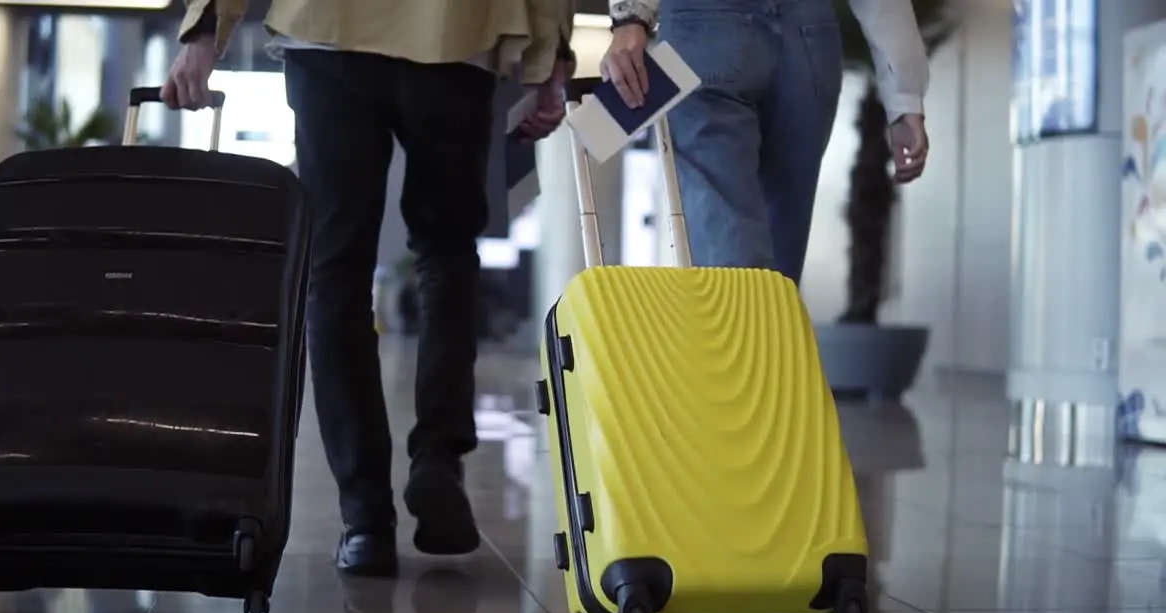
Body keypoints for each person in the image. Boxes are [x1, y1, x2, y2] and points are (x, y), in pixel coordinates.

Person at [162, 0, 576, 576]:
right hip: (456, 36)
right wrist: (550, 59)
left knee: (336, 275)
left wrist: (206, 31)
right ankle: (438, 458)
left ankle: (365, 521)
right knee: (447, 256)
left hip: (329, 34)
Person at [600, 0, 930, 281]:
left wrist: (632, 16)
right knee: (779, 273)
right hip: (808, 35)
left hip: (707, 26)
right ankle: (767, 353)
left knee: (730, 270)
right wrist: (904, 93)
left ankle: (740, 352)